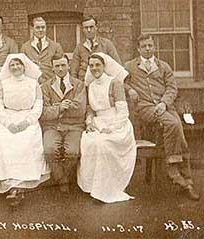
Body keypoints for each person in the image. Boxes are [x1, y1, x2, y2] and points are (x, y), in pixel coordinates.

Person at [124, 34, 200, 201]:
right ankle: (174, 170)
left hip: (165, 107)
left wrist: (164, 103)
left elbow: (172, 88)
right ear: (138, 49)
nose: (148, 49)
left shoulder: (163, 66)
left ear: (154, 46)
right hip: (144, 108)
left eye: (150, 45)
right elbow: (119, 80)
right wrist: (130, 89)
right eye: (144, 46)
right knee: (174, 124)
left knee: (178, 130)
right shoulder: (130, 66)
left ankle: (186, 181)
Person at [0, 53, 50, 206]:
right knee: (0, 141)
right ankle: (9, 183)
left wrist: (27, 122)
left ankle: (19, 186)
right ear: (8, 68)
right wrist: (8, 123)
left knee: (26, 141)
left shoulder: (33, 83)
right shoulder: (3, 84)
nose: (15, 67)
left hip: (28, 118)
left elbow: (38, 106)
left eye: (18, 64)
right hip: (7, 118)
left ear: (24, 66)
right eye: (12, 65)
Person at [78, 53, 136, 203]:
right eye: (91, 66)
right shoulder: (90, 85)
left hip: (118, 123)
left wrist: (112, 127)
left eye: (97, 65)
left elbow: (123, 112)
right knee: (88, 142)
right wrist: (89, 122)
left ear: (104, 66)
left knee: (103, 144)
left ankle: (106, 188)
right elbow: (90, 109)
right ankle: (93, 186)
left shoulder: (115, 83)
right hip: (98, 122)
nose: (94, 68)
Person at [40, 55, 87, 193]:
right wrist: (60, 107)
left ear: (68, 65)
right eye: (57, 66)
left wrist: (54, 108)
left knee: (72, 152)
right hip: (52, 126)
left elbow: (80, 109)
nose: (60, 69)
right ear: (52, 68)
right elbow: (43, 112)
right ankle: (62, 179)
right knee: (49, 149)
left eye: (63, 65)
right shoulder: (46, 87)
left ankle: (63, 177)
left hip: (74, 126)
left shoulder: (78, 85)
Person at [70, 15, 121, 81]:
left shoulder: (107, 44)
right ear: (82, 29)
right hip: (85, 84)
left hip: (104, 83)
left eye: (91, 27)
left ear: (96, 27)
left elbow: (117, 66)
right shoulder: (79, 48)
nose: (89, 30)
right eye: (86, 27)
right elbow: (73, 71)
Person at [21, 17, 64, 84]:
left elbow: (61, 66)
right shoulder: (25, 47)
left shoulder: (56, 46)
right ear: (32, 29)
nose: (41, 30)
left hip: (50, 83)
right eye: (37, 27)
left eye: (43, 27)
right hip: (32, 83)